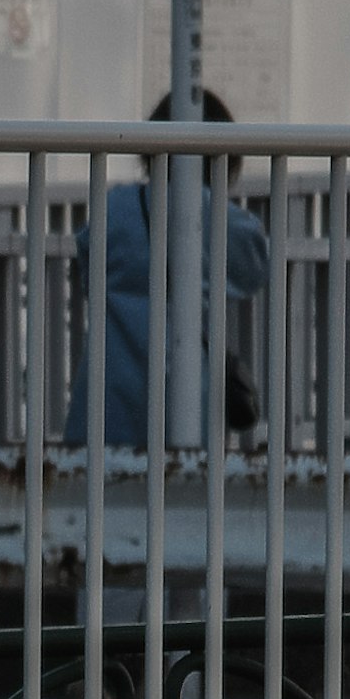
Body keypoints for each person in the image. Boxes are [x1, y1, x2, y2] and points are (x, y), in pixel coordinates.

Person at [69, 95, 278, 454]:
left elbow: (87, 268)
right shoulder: (216, 216)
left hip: (106, 393)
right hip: (184, 396)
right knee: (182, 494)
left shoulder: (115, 208)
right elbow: (255, 267)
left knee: (100, 497)